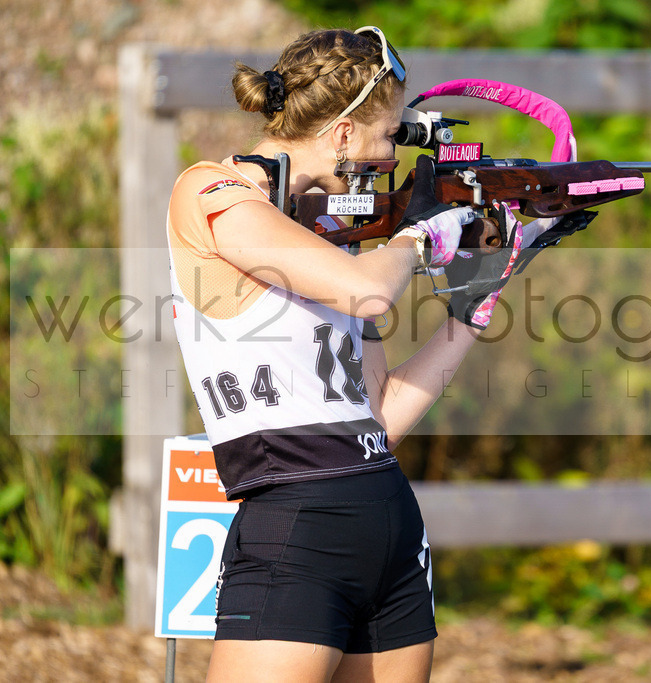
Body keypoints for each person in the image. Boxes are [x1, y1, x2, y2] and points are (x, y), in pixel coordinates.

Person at [166, 27, 528, 682]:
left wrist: (484, 291)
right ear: (339, 133)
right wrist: (420, 231)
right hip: (295, 522)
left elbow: (380, 414)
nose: (393, 155)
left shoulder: (337, 235)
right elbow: (368, 295)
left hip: (381, 517)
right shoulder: (211, 193)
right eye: (389, 135)